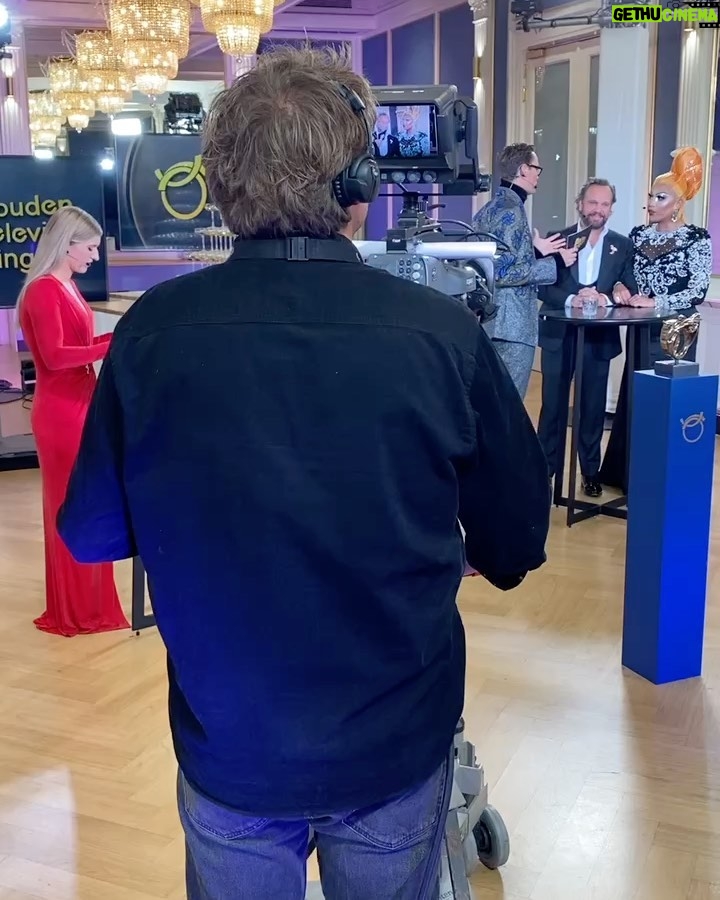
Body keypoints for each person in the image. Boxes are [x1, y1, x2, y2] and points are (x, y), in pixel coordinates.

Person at [57, 48, 551, 900]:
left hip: (231, 746)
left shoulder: (152, 334)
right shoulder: (439, 332)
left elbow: (95, 532)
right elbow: (516, 540)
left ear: (217, 184)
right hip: (394, 742)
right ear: (358, 183)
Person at [16, 206, 129, 637]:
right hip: (61, 412)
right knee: (69, 506)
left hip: (79, 405)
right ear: (67, 245)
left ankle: (89, 604)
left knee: (85, 502)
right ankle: (75, 610)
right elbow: (56, 357)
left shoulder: (65, 286)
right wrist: (108, 346)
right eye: (90, 247)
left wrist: (116, 337)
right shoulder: (44, 290)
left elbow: (80, 344)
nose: (94, 256)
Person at [599, 147, 713, 491]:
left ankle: (660, 479)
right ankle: (628, 475)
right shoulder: (638, 235)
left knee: (666, 404)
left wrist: (656, 301)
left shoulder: (697, 238)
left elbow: (697, 290)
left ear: (678, 204)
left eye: (659, 196)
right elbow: (624, 275)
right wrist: (619, 286)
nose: (650, 201)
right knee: (636, 398)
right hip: (639, 329)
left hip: (676, 332)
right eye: (650, 195)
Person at [537, 178, 637, 498]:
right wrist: (571, 300)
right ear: (580, 204)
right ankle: (546, 471)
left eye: (605, 204)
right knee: (552, 406)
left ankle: (590, 472)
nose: (598, 210)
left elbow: (628, 284)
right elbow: (543, 284)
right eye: (593, 203)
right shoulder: (558, 239)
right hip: (559, 334)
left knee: (592, 409)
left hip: (597, 339)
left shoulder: (622, 245)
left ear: (611, 209)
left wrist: (611, 295)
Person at [473, 142, 577, 398]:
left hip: (489, 321)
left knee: (489, 403)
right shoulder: (512, 211)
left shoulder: (488, 209)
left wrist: (535, 250)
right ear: (523, 169)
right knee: (508, 406)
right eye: (536, 168)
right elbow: (502, 272)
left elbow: (497, 259)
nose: (538, 174)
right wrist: (556, 262)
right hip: (512, 326)